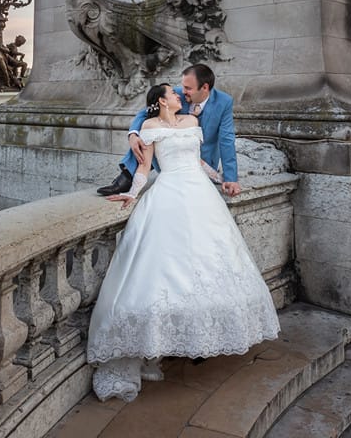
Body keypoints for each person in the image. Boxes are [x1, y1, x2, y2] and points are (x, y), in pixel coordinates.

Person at [87, 83, 280, 402]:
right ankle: (157, 344)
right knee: (164, 266)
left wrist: (224, 179)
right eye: (173, 94)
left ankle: (199, 338)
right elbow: (146, 169)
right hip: (168, 194)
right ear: (161, 100)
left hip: (200, 193)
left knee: (210, 262)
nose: (180, 96)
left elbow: (200, 162)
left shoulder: (192, 122)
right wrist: (132, 195)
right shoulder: (147, 127)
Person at [98, 63, 240, 197]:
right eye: (183, 86)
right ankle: (127, 176)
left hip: (201, 162)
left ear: (204, 88)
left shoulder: (224, 102)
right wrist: (133, 135)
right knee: (149, 135)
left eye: (188, 88)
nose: (182, 92)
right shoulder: (177, 94)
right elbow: (145, 113)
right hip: (170, 155)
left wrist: (231, 178)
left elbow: (226, 140)